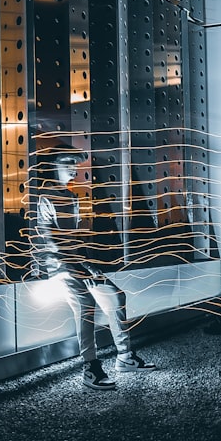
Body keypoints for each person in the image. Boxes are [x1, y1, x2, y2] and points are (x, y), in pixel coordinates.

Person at [32, 143, 157, 390]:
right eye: (68, 164)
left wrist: (87, 262)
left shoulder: (73, 197)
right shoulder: (45, 198)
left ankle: (124, 357)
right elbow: (51, 241)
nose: (74, 169)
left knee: (116, 295)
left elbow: (77, 236)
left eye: (75, 164)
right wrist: (80, 264)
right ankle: (90, 367)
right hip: (59, 267)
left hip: (77, 264)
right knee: (86, 305)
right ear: (53, 167)